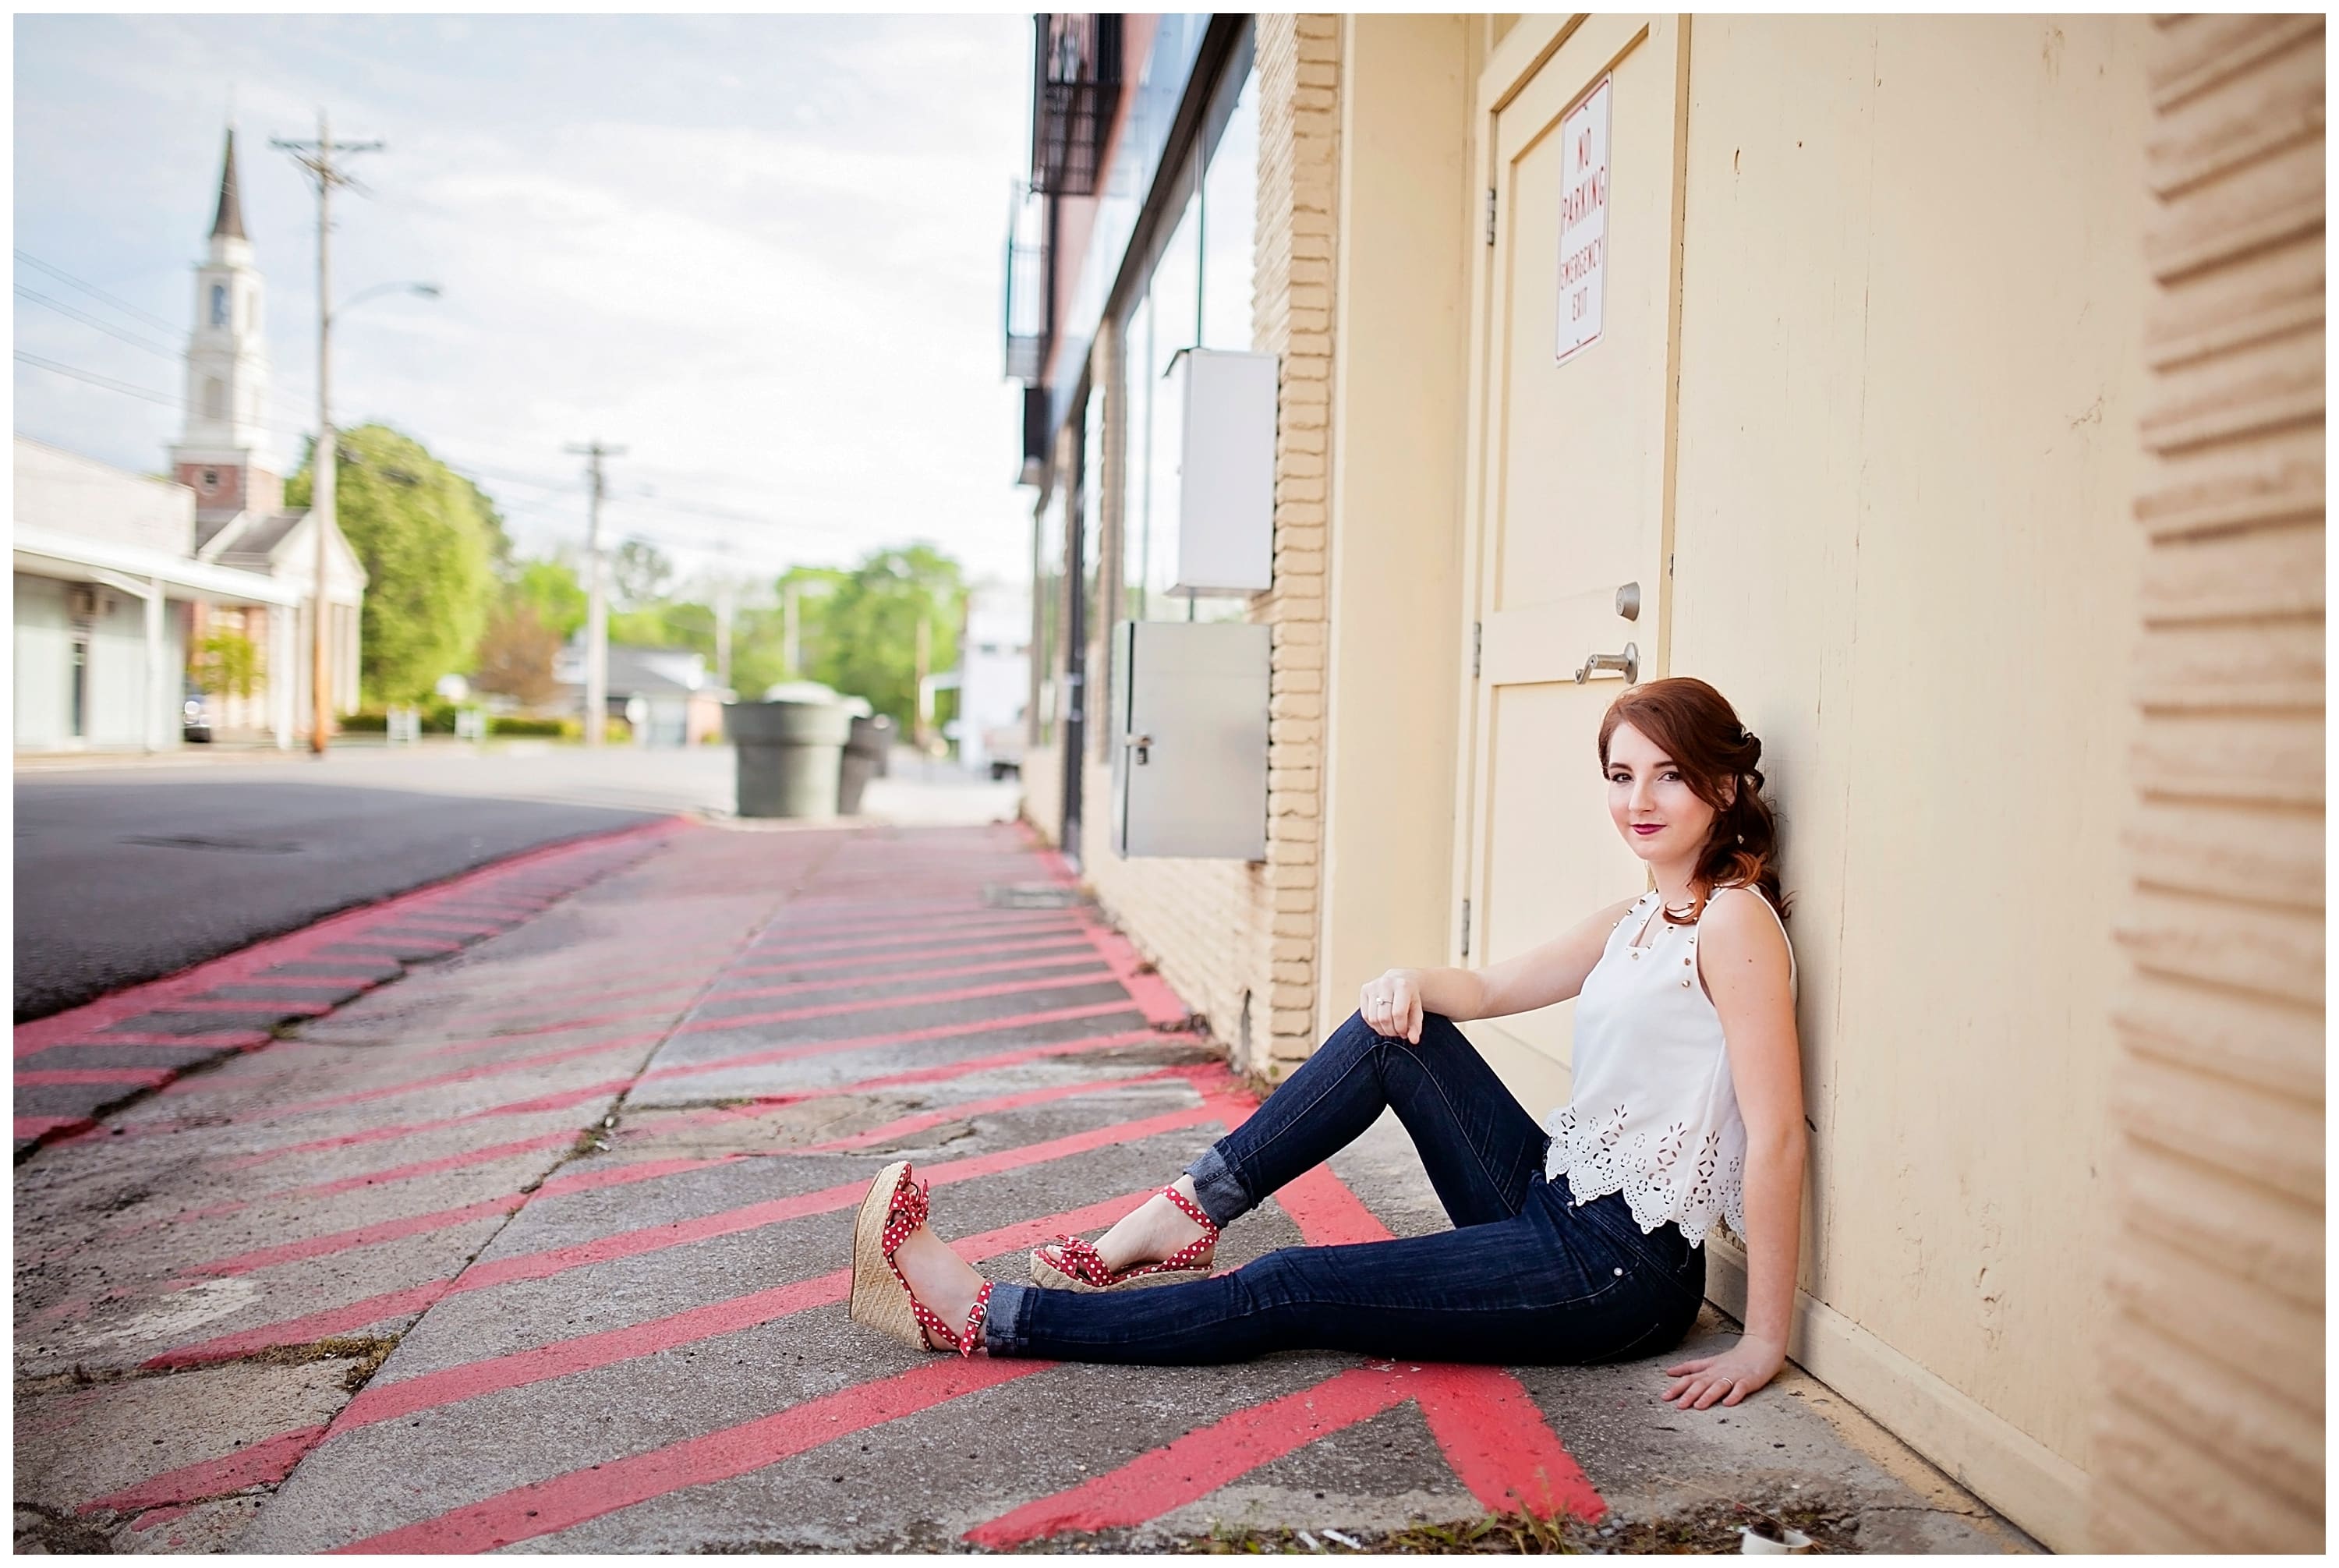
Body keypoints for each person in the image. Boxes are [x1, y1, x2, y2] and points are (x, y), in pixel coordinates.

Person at [847, 676, 1803, 1413]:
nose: (1640, 799)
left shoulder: (1733, 925)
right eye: (1622, 774)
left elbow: (1778, 1138)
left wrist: (1762, 1340)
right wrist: (1409, 983)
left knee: (1293, 1282)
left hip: (1616, 1272)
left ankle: (985, 1314)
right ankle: (1190, 1207)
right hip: (1557, 1197)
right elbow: (1489, 988)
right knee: (1395, 1035)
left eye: (1669, 775)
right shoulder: (1644, 914)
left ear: (1722, 784)